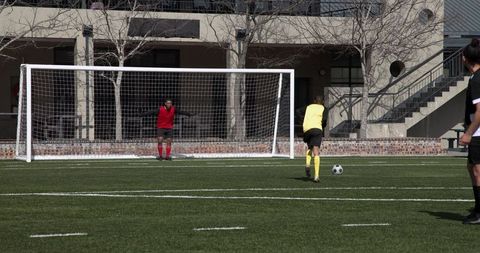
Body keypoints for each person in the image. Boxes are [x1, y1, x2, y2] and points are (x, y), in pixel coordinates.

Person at [460, 38, 480, 224]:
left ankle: (479, 212)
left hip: (478, 133)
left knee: (477, 170)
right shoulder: (476, 78)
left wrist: (468, 133)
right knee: (472, 167)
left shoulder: (476, 81)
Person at [302, 95, 327, 182]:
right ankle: (316, 176)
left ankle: (308, 164)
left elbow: (298, 111)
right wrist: (322, 126)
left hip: (307, 129)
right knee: (316, 150)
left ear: (314, 100)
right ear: (323, 102)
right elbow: (324, 120)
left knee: (310, 147)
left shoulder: (308, 107)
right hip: (317, 129)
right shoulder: (323, 108)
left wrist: (302, 120)